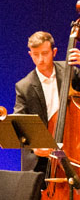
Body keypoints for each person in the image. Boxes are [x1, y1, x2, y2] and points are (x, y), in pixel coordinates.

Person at [13, 31, 80, 172]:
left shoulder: (71, 72)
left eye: (44, 53)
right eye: (35, 54)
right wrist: (34, 146)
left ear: (54, 52)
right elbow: (19, 124)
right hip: (39, 162)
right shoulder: (24, 86)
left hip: (72, 152)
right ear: (30, 54)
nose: (40, 59)